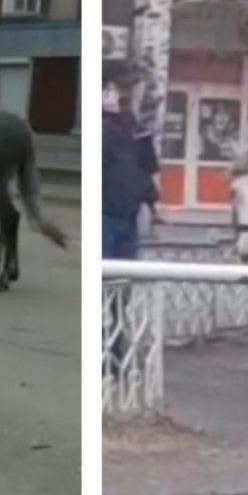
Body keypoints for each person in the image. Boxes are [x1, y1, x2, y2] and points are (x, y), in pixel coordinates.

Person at [102, 64, 160, 376]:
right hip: (104, 215)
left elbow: (146, 169)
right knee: (102, 285)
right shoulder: (102, 127)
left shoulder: (136, 127)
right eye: (123, 89)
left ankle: (115, 351)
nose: (129, 96)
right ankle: (102, 351)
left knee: (121, 290)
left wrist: (153, 204)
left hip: (127, 215)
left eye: (133, 89)